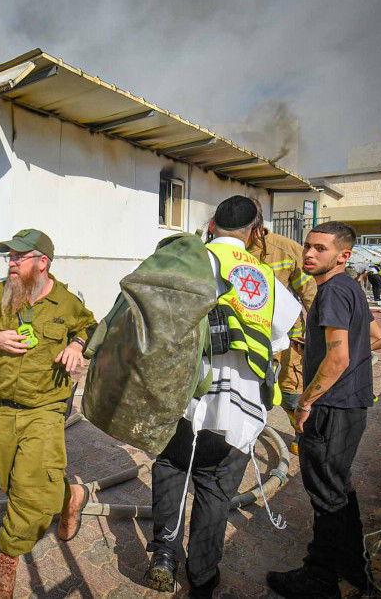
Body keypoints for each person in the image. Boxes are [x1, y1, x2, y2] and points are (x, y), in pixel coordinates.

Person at [146, 196, 301, 598]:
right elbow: (282, 332)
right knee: (215, 489)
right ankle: (202, 576)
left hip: (184, 399)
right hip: (238, 410)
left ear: (212, 224)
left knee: (171, 469)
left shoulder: (190, 261)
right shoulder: (264, 277)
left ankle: (163, 555)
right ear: (254, 231)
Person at [0, 229, 96, 599]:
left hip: (46, 407)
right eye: (9, 255)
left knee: (31, 491)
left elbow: (90, 325)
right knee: (11, 482)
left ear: (42, 262)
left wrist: (77, 343)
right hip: (5, 408)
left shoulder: (66, 301)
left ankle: (7, 560)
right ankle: (71, 498)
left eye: (19, 256)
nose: (11, 261)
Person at [267, 221, 381, 599]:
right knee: (339, 489)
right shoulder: (351, 286)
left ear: (343, 255)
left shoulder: (333, 292)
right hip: (352, 405)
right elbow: (378, 339)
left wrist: (305, 402)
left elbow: (338, 357)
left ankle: (319, 579)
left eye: (321, 248)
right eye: (307, 246)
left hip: (332, 408)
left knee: (325, 494)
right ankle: (354, 565)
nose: (309, 253)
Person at [249, 198, 317, 453]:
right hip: (249, 336)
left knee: (291, 391)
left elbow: (311, 293)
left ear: (257, 224)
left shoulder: (286, 249)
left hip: (288, 337)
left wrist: (320, 334)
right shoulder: (229, 249)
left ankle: (302, 431)